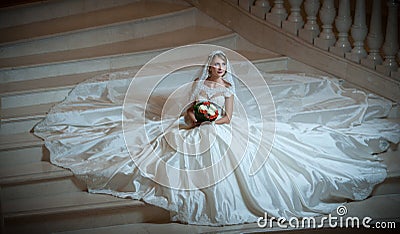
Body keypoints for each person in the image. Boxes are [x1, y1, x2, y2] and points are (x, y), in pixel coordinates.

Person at [34, 46, 399, 226]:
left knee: (219, 144)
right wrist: (194, 117)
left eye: (222, 65)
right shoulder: (198, 84)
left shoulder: (228, 90)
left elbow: (228, 120)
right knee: (173, 143)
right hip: (195, 124)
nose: (217, 68)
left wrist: (211, 119)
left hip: (219, 128)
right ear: (209, 65)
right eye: (215, 64)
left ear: (227, 70)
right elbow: (185, 111)